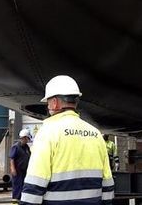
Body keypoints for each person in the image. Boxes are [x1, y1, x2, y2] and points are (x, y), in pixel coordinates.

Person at [20, 75, 114, 205]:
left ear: (55, 103)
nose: (47, 107)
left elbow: (36, 181)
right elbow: (107, 181)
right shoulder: (96, 134)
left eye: (48, 102)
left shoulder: (48, 132)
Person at [9, 128, 33, 204]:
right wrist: (13, 169)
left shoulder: (26, 147)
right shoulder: (16, 147)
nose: (28, 140)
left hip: (24, 171)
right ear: (24, 137)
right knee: (17, 187)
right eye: (27, 138)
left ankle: (21, 201)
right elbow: (12, 159)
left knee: (23, 186)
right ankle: (15, 201)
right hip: (18, 171)